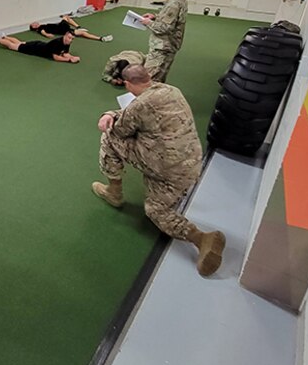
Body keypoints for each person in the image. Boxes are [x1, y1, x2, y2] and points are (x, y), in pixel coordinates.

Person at [91, 64, 226, 276]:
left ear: (127, 84)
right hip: (190, 165)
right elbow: (134, 113)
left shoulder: (140, 105)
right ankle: (197, 228)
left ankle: (114, 192)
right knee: (160, 193)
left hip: (164, 168)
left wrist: (108, 117)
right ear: (149, 77)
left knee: (110, 137)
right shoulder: (171, 90)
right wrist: (111, 112)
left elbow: (120, 129)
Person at [141, 0, 188, 82]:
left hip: (162, 47)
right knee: (159, 78)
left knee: (148, 79)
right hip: (169, 46)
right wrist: (155, 17)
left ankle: (146, 98)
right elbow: (172, 20)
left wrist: (149, 23)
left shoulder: (173, 4)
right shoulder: (180, 0)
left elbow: (165, 27)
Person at [0, 31, 81, 63]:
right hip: (34, 48)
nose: (70, 40)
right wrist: (69, 60)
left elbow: (65, 53)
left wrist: (72, 57)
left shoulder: (66, 43)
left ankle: (4, 37)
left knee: (20, 42)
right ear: (65, 35)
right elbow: (56, 57)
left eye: (72, 39)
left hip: (38, 44)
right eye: (69, 38)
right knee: (12, 46)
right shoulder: (57, 42)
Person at [30, 16, 112, 43]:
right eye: (33, 25)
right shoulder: (40, 28)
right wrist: (47, 35)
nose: (35, 23)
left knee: (66, 17)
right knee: (82, 33)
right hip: (62, 29)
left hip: (61, 27)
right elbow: (43, 33)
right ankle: (101, 38)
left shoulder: (41, 26)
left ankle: (79, 27)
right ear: (34, 28)